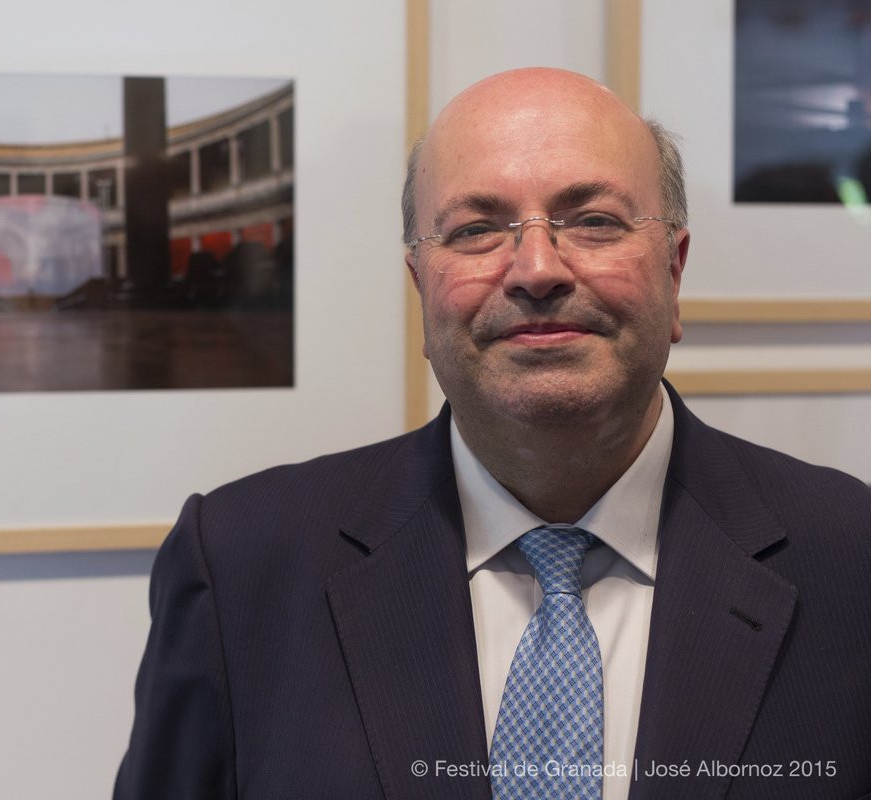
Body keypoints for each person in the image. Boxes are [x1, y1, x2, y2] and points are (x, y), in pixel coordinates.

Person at [114, 68, 871, 800]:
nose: (537, 269)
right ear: (421, 288)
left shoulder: (852, 562)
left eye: (595, 221)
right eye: (477, 229)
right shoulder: (241, 567)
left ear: (674, 273)